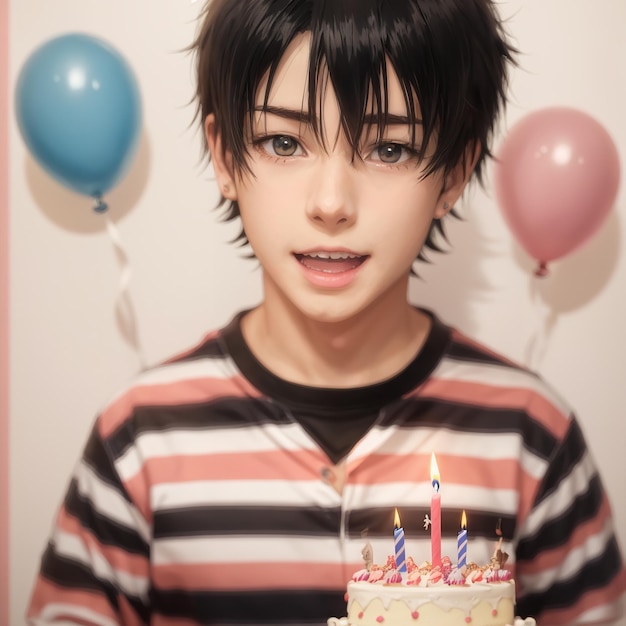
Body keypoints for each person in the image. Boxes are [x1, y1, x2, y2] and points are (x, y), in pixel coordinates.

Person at [27, 0, 626, 624]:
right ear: (226, 157)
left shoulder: (533, 435)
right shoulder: (141, 440)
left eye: (390, 149)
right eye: (283, 141)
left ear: (454, 171)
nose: (332, 202)